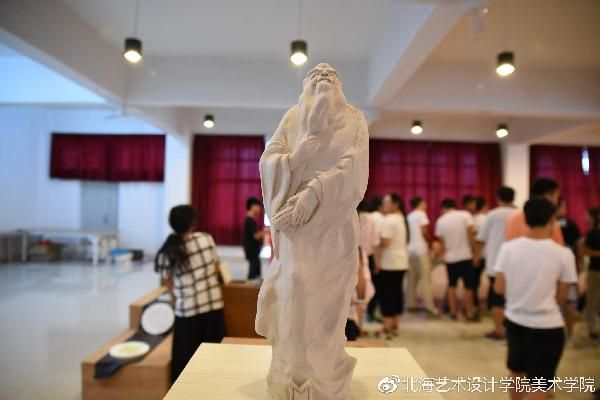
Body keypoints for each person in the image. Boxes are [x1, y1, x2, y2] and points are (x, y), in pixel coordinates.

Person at [494, 198, 577, 400]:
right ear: (552, 220)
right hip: (547, 326)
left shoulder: (508, 248)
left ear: (525, 219)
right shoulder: (564, 254)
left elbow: (499, 288)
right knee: (540, 385)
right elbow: (561, 298)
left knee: (517, 373)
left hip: (515, 322)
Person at [155, 205, 226, 383]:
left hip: (186, 311)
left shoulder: (168, 250)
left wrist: (174, 298)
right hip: (212, 306)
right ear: (193, 222)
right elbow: (216, 268)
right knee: (214, 357)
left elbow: (167, 282)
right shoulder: (205, 239)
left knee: (185, 361)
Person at [475, 186, 517, 340]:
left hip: (495, 262)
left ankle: (499, 330)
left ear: (498, 198)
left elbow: (481, 238)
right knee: (513, 297)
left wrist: (477, 256)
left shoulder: (492, 215)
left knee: (497, 297)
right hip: (515, 263)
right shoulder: (519, 214)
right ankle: (511, 328)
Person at [435, 198, 477, 321]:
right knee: (468, 286)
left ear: (444, 208)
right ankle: (469, 313)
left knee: (452, 285)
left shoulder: (441, 220)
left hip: (450, 258)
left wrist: (443, 253)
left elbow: (442, 242)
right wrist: (474, 251)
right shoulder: (465, 215)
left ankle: (453, 312)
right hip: (465, 256)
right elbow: (471, 234)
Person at [376, 193, 409, 339]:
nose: (384, 205)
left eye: (387, 202)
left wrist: (375, 241)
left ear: (396, 204)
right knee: (397, 293)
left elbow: (386, 242)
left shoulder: (389, 220)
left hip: (389, 263)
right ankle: (396, 325)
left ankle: (387, 327)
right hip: (401, 262)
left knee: (387, 294)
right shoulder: (401, 218)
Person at [505, 177, 564, 244]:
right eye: (556, 197)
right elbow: (557, 247)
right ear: (549, 196)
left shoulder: (512, 219)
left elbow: (510, 244)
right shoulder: (550, 221)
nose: (556, 202)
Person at [406, 196, 437, 316]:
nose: (426, 205)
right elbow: (424, 231)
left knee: (411, 280)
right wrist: (430, 242)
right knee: (425, 279)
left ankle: (410, 305)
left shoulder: (409, 216)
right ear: (420, 203)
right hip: (421, 250)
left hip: (410, 250)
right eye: (424, 203)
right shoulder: (421, 214)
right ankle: (429, 306)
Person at [556, 197, 581, 337]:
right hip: (566, 265)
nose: (565, 209)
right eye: (563, 206)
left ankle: (568, 332)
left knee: (567, 301)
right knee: (568, 301)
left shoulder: (550, 224)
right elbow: (579, 244)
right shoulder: (569, 224)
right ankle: (568, 332)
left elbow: (578, 243)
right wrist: (578, 262)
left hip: (561, 266)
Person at [357, 201, 378, 325]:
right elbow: (375, 241)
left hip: (352, 254)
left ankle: (356, 323)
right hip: (367, 256)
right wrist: (377, 261)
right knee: (366, 286)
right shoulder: (372, 219)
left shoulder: (349, 216)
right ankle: (365, 317)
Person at [366, 196, 384, 322]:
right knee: (375, 286)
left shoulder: (366, 217)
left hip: (359, 255)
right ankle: (371, 313)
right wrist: (378, 261)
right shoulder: (381, 218)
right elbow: (377, 242)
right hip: (373, 256)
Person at [583, 208, 600, 340]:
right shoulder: (592, 233)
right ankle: (592, 328)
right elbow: (585, 250)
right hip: (594, 270)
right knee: (592, 300)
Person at [471, 196, 488, 317]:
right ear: (485, 207)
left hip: (478, 254)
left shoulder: (474, 220)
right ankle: (491, 305)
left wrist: (476, 254)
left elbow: (475, 239)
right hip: (489, 254)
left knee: (475, 282)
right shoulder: (487, 219)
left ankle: (475, 305)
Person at [243, 197, 266, 280]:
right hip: (252, 250)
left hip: (252, 250)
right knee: (254, 274)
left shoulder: (250, 220)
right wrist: (267, 231)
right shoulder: (250, 220)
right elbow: (256, 236)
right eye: (258, 206)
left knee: (254, 272)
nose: (260, 209)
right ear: (252, 206)